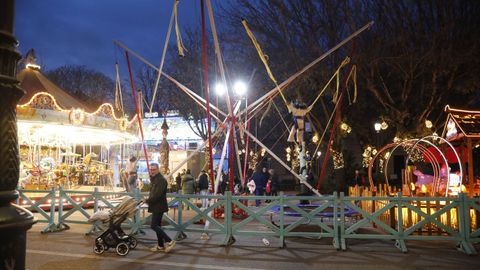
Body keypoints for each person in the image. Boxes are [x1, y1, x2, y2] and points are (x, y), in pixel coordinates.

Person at [146, 163, 176, 252]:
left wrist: (147, 200)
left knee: (154, 225)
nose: (152, 171)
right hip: (156, 206)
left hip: (159, 206)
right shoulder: (155, 179)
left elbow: (157, 195)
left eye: (154, 169)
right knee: (157, 226)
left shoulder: (161, 180)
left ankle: (170, 240)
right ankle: (160, 245)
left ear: (158, 169)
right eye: (151, 170)